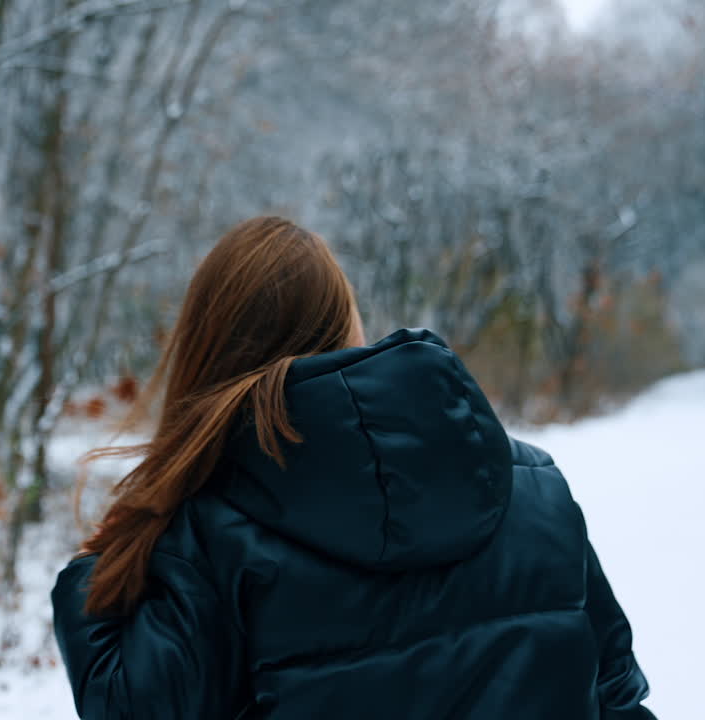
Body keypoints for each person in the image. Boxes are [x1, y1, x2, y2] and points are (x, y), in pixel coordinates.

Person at [50, 217, 655, 719]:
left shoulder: (208, 540)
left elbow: (129, 705)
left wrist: (101, 566)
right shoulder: (536, 491)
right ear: (346, 322)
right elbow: (619, 700)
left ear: (207, 355)